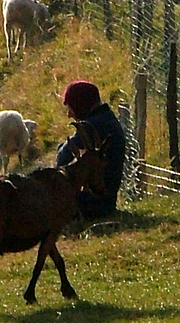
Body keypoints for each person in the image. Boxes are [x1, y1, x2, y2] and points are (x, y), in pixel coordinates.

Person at [54, 80, 128, 219]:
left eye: (70, 108)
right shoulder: (107, 120)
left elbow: (62, 160)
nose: (69, 115)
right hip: (105, 202)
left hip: (90, 204)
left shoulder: (91, 128)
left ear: (80, 105)